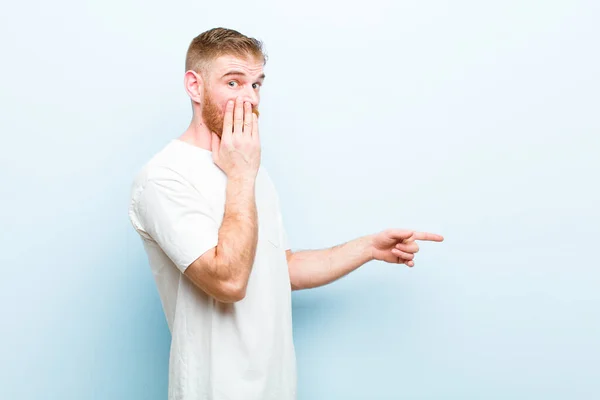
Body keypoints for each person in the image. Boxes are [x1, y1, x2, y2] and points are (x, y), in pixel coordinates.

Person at [128, 27, 444, 400]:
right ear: (194, 86)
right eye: (233, 83)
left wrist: (368, 248)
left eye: (257, 85)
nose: (249, 99)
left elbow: (280, 268)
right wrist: (242, 175)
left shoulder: (250, 168)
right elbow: (228, 282)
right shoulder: (164, 177)